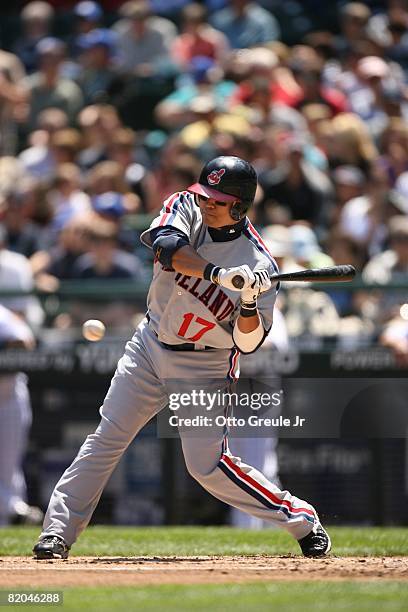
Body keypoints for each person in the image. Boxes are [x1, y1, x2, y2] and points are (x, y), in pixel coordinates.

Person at [33, 156, 330, 560]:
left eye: (219, 200)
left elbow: (248, 344)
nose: (207, 204)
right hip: (150, 344)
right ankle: (56, 533)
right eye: (206, 194)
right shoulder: (185, 206)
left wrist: (247, 302)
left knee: (207, 467)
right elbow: (168, 248)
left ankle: (301, 518)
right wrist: (219, 275)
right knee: (108, 436)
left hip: (205, 364)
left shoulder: (259, 263)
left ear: (240, 205)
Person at [0, 304, 43, 526]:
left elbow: (25, 341)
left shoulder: (2, 315)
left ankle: (12, 514)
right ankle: (14, 510)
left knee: (9, 467)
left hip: (7, 395)